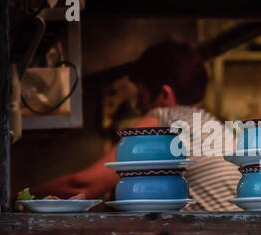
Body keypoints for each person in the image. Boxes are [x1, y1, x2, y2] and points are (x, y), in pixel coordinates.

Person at [32, 40, 241, 211]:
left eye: (141, 97)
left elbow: (85, 185)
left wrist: (16, 198)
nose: (140, 108)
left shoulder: (166, 117)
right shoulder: (214, 126)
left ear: (164, 94)